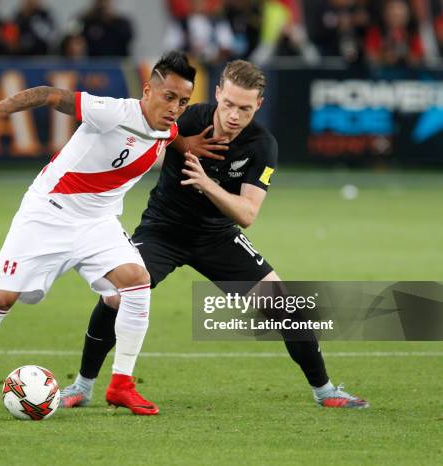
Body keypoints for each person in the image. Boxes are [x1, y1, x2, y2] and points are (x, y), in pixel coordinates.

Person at [60, 59, 369, 410]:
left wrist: (207, 184)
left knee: (285, 305)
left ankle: (325, 391)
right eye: (229, 104)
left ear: (259, 105)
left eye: (245, 108)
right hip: (163, 230)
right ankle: (83, 386)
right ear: (218, 93)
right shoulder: (187, 119)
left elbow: (247, 214)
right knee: (117, 296)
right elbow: (144, 131)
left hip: (217, 237)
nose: (235, 115)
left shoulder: (261, 145)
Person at [0, 52, 196, 416]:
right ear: (147, 90)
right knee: (2, 298)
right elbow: (47, 94)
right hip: (47, 214)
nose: (175, 107)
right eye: (169, 97)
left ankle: (121, 385)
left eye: (183, 101)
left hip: (98, 223)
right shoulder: (112, 112)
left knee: (136, 284)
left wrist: (190, 147)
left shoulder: (167, 127)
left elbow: (171, 136)